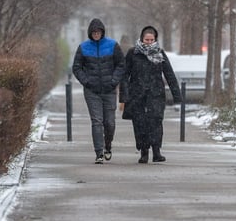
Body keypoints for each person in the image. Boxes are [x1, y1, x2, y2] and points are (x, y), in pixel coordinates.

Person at [120, 25, 182, 163]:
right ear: (142, 39)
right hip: (137, 94)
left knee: (156, 121)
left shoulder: (160, 53)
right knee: (140, 123)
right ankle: (144, 152)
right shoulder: (133, 53)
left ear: (155, 40)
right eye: (146, 40)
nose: (148, 42)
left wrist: (176, 95)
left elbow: (169, 73)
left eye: (151, 40)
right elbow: (124, 75)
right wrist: (124, 95)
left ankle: (156, 151)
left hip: (156, 93)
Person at [72, 18, 125, 164]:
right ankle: (99, 152)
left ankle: (108, 145)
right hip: (92, 91)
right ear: (90, 33)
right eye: (94, 32)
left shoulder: (112, 45)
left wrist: (113, 81)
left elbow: (121, 64)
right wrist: (87, 81)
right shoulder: (83, 47)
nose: (96, 34)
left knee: (110, 122)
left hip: (109, 90)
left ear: (102, 32)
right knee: (96, 121)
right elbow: (76, 67)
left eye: (98, 31)